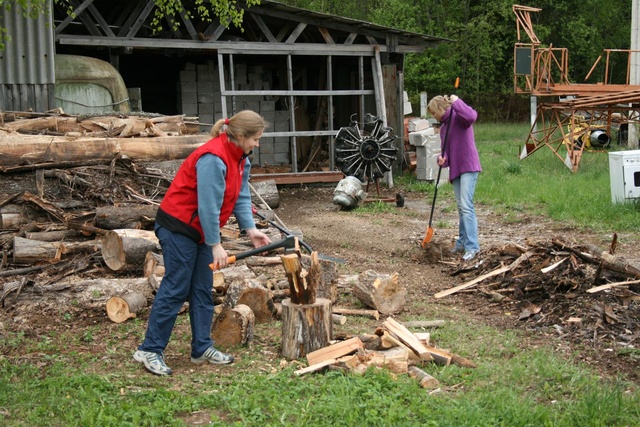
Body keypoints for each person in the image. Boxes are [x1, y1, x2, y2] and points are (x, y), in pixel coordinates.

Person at [134, 110, 272, 376]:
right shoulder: (213, 158)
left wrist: (250, 229)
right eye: (255, 139)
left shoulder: (241, 158)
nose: (257, 144)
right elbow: (208, 207)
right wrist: (215, 244)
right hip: (178, 227)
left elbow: (241, 196)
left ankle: (201, 347)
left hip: (198, 229)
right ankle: (149, 349)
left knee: (202, 288)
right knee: (176, 287)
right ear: (241, 136)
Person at [427, 94, 481, 262]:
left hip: (469, 166)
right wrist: (441, 160)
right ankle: (462, 242)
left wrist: (456, 101)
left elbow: (473, 115)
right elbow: (446, 154)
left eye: (434, 113)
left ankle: (473, 247)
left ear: (441, 108)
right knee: (460, 207)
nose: (433, 116)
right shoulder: (443, 128)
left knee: (466, 205)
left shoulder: (460, 117)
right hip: (456, 169)